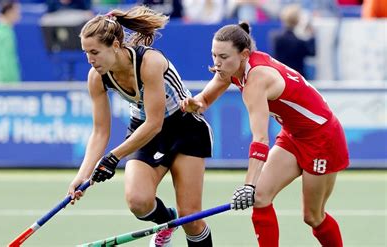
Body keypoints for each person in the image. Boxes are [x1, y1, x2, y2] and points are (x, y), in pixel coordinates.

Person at [181, 22, 349, 247]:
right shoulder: (230, 69)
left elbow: (260, 139)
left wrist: (248, 185)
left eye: (223, 56)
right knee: (261, 198)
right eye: (214, 55)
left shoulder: (256, 80)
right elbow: (205, 99)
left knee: (312, 216)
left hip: (322, 138)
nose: (217, 63)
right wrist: (195, 104)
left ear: (244, 54)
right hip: (293, 135)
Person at [67, 6, 214, 247]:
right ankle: (167, 222)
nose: (90, 60)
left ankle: (182, 222)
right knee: (138, 201)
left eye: (95, 52)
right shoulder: (97, 76)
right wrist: (83, 175)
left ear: (115, 45)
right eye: (85, 52)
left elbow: (155, 123)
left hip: (184, 127)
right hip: (142, 128)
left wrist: (113, 157)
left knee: (191, 218)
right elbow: (100, 131)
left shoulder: (150, 62)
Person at [271, 4, 315, 79]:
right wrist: (311, 36)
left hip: (281, 77)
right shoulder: (299, 42)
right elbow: (312, 53)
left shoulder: (276, 38)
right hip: (298, 79)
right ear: (297, 21)